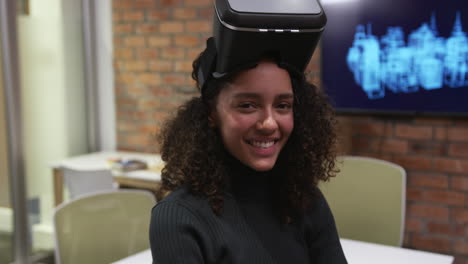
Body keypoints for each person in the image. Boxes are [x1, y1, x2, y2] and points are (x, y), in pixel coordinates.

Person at [149, 35, 348, 263]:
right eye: (247, 106)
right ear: (212, 113)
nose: (270, 123)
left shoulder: (304, 199)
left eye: (283, 106)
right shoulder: (179, 218)